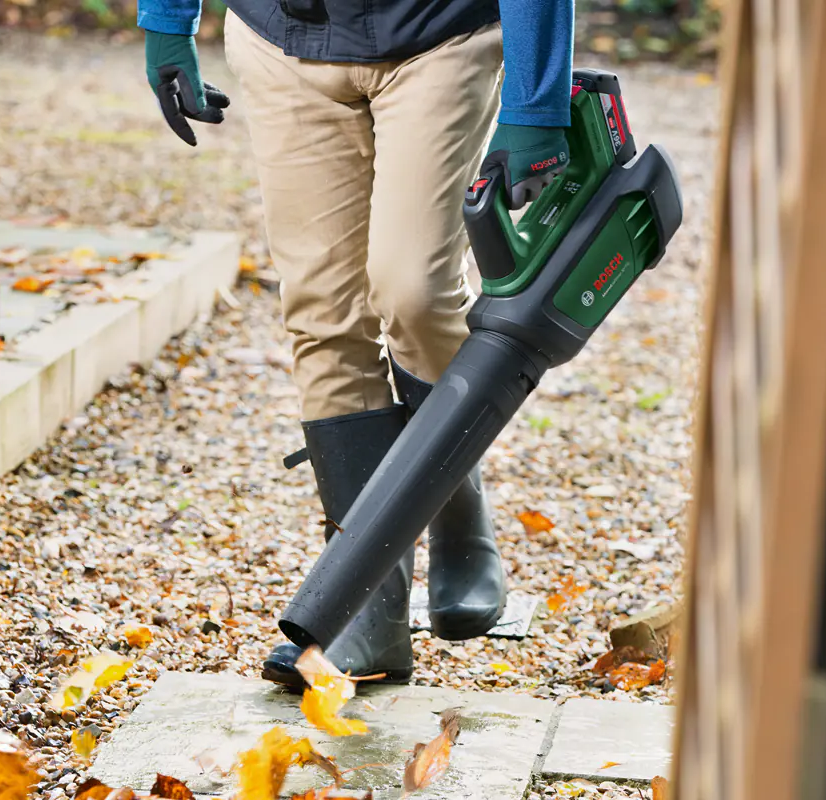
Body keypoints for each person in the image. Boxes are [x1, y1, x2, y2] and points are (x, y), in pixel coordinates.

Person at [137, 0, 574, 689]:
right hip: (283, 40)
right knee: (322, 312)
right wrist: (166, 20)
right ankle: (362, 612)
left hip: (437, 37)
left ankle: (453, 502)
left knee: (415, 293)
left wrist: (536, 102)